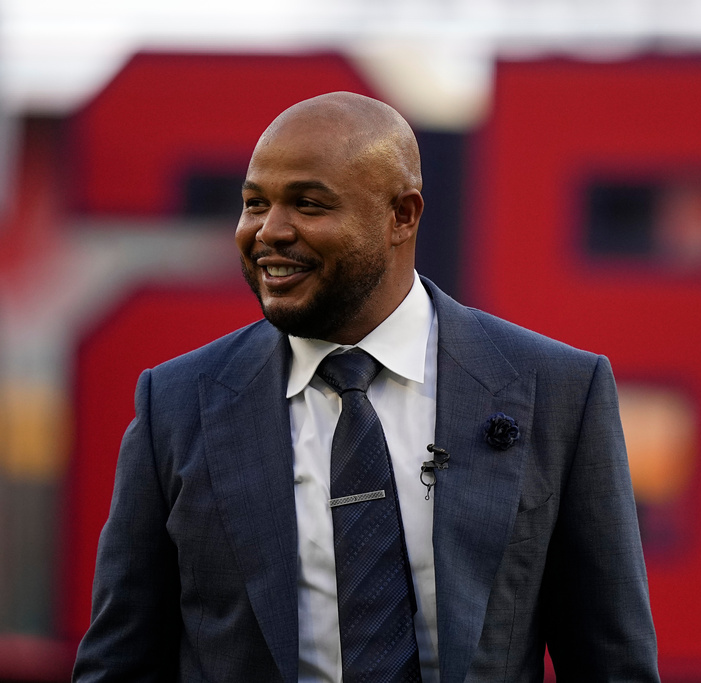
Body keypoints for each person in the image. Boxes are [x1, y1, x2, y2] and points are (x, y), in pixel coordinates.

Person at [73, 92, 659, 682]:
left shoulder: (559, 391)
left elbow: (613, 662)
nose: (269, 232)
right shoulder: (175, 403)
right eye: (254, 203)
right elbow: (120, 661)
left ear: (402, 216)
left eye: (307, 204)